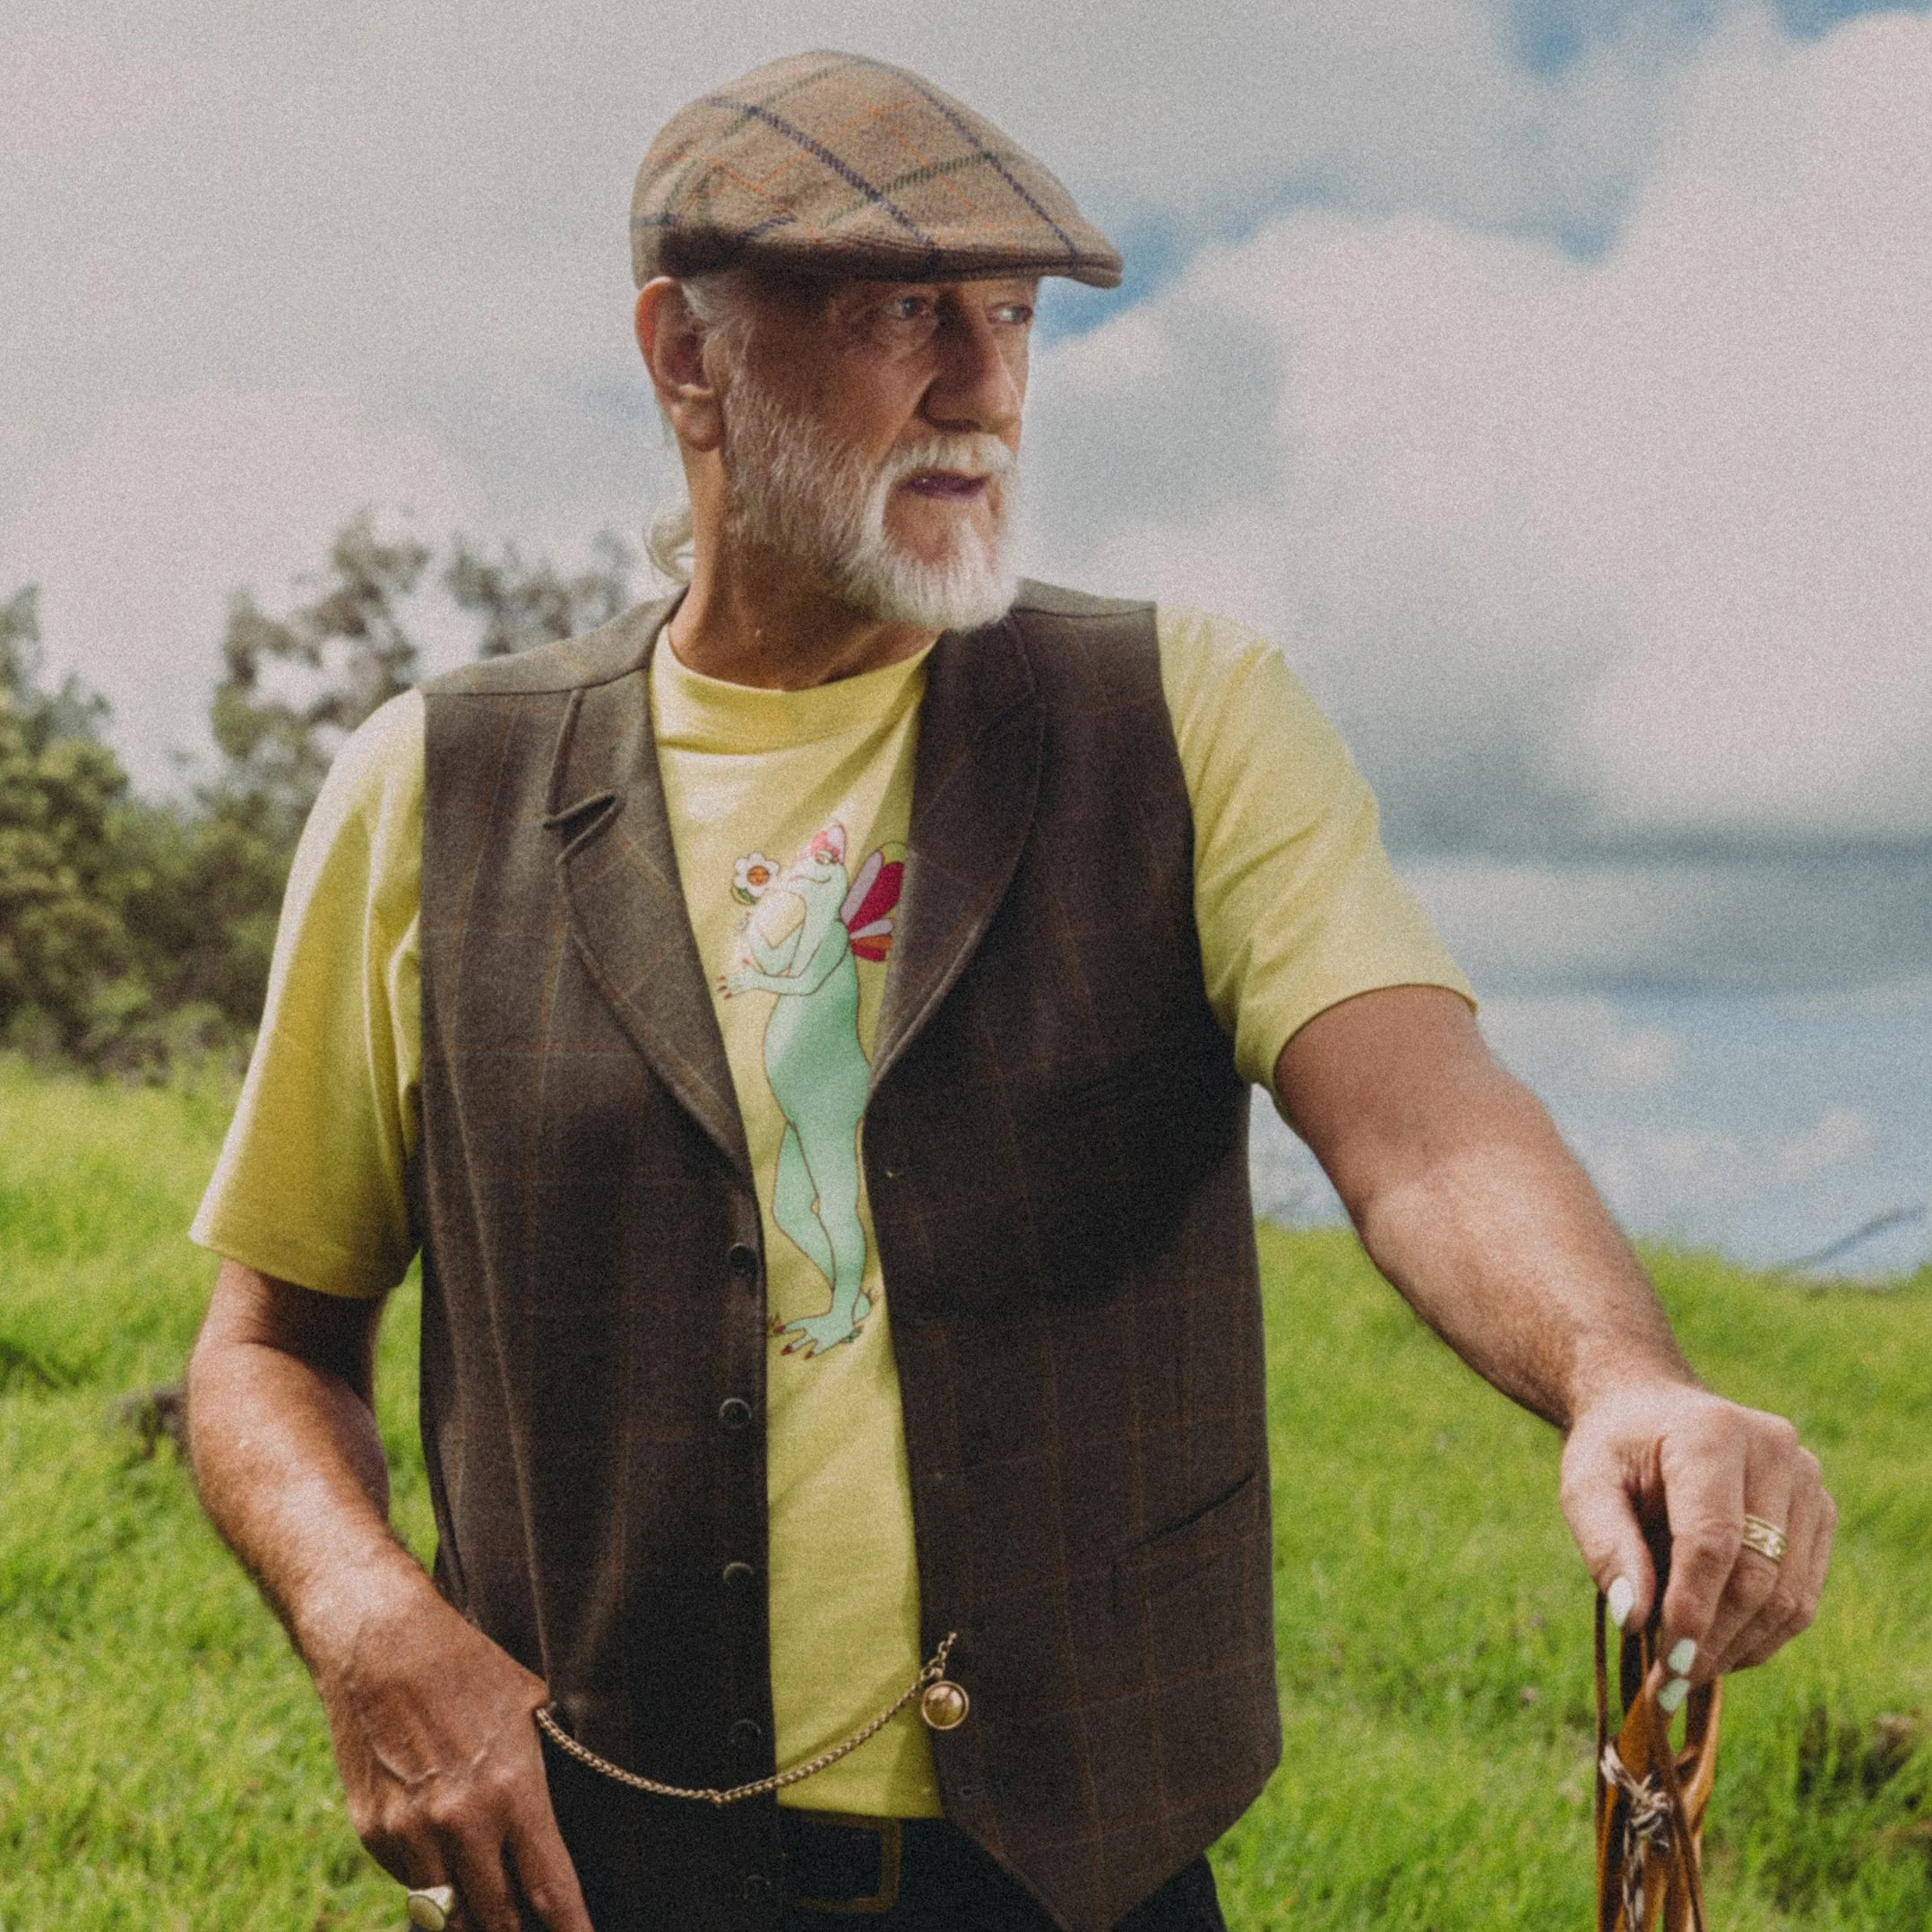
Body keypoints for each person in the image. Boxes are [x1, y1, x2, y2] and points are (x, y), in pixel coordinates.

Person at [185, 49, 1833, 1932]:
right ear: (686, 355)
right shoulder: (435, 783)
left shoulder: (1183, 716)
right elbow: (264, 1346)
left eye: (1010, 317)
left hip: (1077, 1881)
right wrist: (367, 1612)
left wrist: (1622, 1378)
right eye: (902, 315)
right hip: (585, 1876)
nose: (979, 387)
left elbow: (1414, 1116)